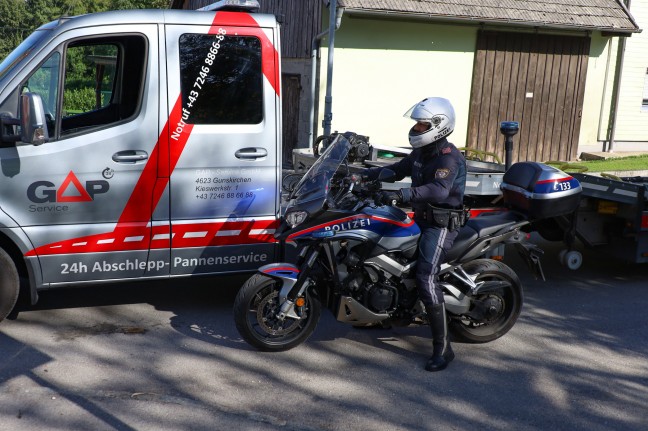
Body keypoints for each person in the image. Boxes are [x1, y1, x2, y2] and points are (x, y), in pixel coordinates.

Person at [363, 97, 467, 372]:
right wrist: (366, 176)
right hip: (420, 218)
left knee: (425, 275)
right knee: (383, 252)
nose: (417, 128)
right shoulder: (422, 153)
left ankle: (443, 349)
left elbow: (439, 190)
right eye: (418, 124)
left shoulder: (448, 157)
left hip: (441, 225)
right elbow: (398, 169)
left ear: (438, 126)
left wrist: (403, 194)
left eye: (422, 124)